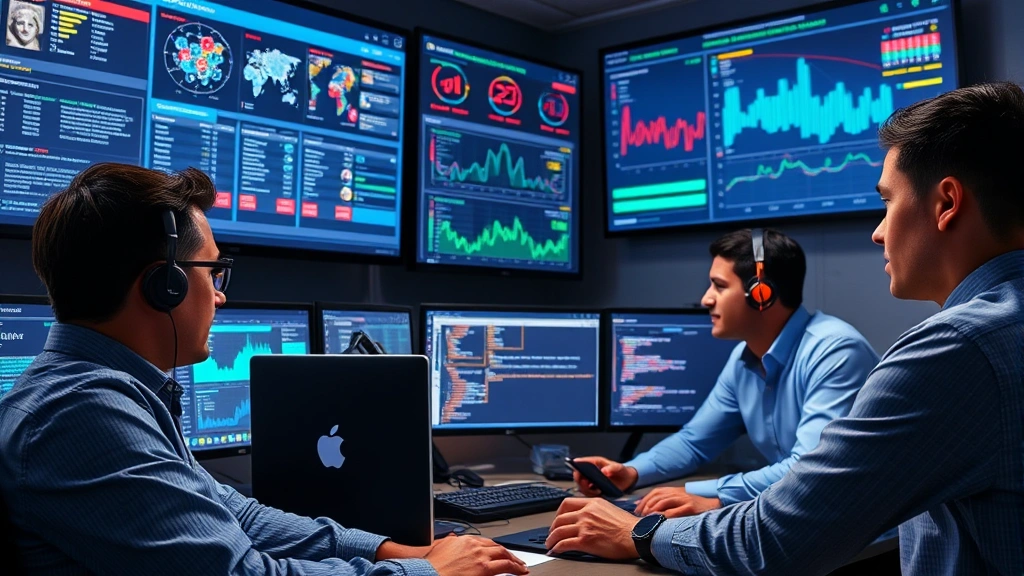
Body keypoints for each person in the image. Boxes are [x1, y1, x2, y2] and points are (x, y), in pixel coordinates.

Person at [545, 82, 1024, 575]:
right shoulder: (1000, 330)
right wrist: (633, 471)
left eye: (887, 201)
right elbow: (696, 439)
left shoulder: (953, 350)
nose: (878, 231)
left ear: (946, 203)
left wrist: (639, 531)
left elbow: (779, 538)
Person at [0, 163, 529, 576]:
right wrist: (422, 571)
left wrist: (393, 547)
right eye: (214, 270)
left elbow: (239, 513)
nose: (222, 294)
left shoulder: (110, 392)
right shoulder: (80, 412)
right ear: (166, 285)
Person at [572, 228, 878, 518]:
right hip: (800, 513)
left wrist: (709, 494)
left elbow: (807, 469)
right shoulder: (743, 359)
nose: (706, 299)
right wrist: (632, 472)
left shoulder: (835, 351)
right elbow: (694, 442)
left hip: (856, 530)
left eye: (719, 286)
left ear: (761, 294)